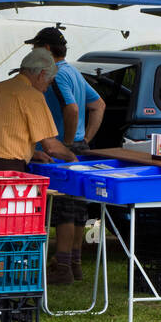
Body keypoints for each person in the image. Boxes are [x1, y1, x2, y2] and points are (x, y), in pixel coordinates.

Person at [25, 27, 107, 285]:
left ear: (46, 49)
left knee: (63, 209)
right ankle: (74, 263)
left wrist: (68, 142)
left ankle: (62, 267)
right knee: (76, 207)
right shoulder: (73, 71)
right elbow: (98, 105)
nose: (32, 51)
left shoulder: (58, 75)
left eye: (35, 47)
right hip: (77, 148)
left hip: (60, 149)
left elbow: (71, 108)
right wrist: (85, 140)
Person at [0, 48, 77, 172]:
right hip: (7, 170)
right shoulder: (33, 96)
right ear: (42, 74)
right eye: (49, 83)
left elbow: (3, 135)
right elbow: (51, 147)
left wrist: (32, 153)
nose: (46, 89)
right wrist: (72, 157)